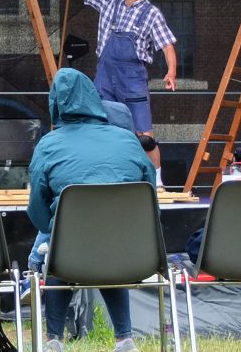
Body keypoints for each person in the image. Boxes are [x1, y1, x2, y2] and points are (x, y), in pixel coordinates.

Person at [27, 68, 156, 352]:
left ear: (55, 104)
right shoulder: (127, 140)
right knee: (106, 245)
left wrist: (52, 229)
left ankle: (53, 339)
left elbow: (37, 211)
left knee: (56, 243)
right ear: (93, 99)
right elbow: (150, 193)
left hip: (68, 254)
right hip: (127, 252)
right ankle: (124, 337)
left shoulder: (48, 145)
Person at [60, 0, 177, 186]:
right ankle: (107, 179)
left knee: (144, 135)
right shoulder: (110, 1)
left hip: (132, 78)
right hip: (105, 76)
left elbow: (167, 45)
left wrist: (171, 71)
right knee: (102, 128)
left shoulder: (151, 14)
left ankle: (156, 183)